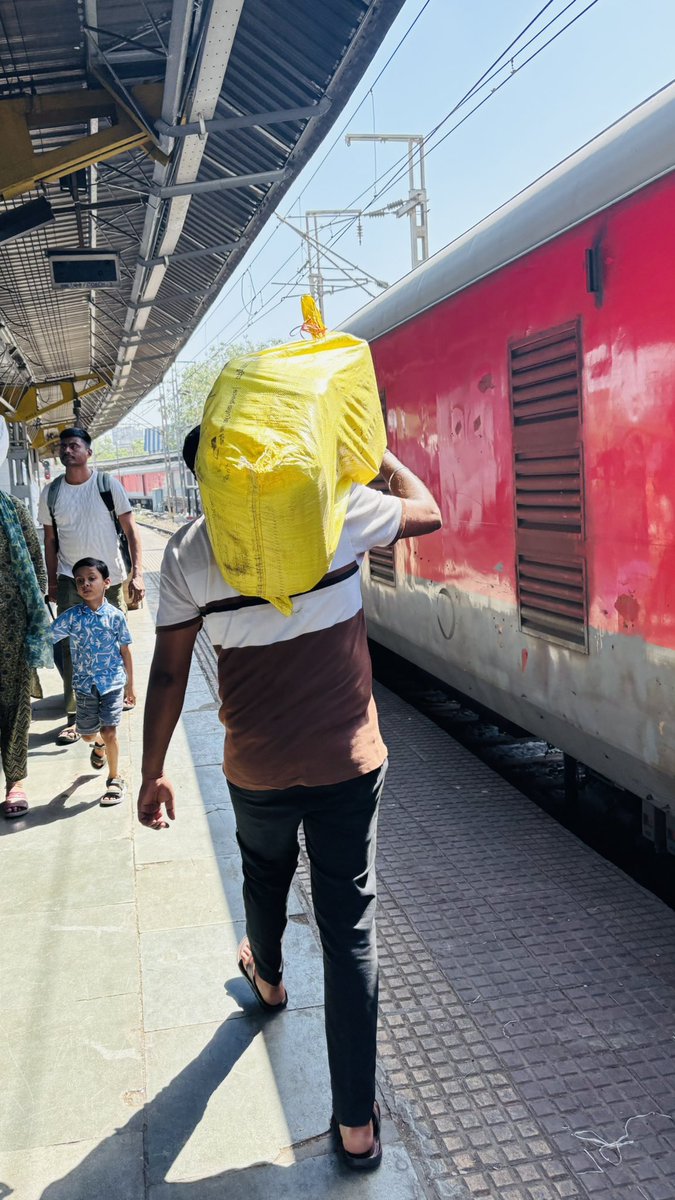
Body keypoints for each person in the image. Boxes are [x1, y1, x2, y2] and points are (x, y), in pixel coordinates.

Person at [138, 426, 441, 1171]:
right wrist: (372, 455)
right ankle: (355, 1130)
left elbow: (171, 673)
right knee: (350, 933)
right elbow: (427, 510)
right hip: (348, 764)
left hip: (258, 768)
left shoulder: (187, 549)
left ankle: (267, 978)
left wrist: (151, 771)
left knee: (263, 873)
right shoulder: (331, 506)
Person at [38, 427, 145, 745]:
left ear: (88, 452)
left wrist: (137, 573)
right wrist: (53, 581)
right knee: (70, 647)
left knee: (115, 641)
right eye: (63, 446)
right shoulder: (52, 492)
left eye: (74, 445)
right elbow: (50, 540)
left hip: (109, 577)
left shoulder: (106, 485)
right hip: (72, 579)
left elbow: (131, 530)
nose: (67, 450)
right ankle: (75, 716)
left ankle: (120, 693)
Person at [50, 557, 135, 805]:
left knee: (110, 731)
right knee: (88, 735)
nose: (86, 584)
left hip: (112, 684)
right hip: (85, 686)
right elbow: (48, 637)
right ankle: (98, 746)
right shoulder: (71, 617)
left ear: (106, 582)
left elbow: (125, 651)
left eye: (91, 578)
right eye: (80, 581)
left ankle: (115, 778)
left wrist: (130, 685)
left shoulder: (116, 616)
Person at [0, 420, 52, 818]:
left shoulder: (13, 511)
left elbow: (36, 567)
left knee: (15, 703)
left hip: (12, 629)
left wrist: (38, 620)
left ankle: (15, 780)